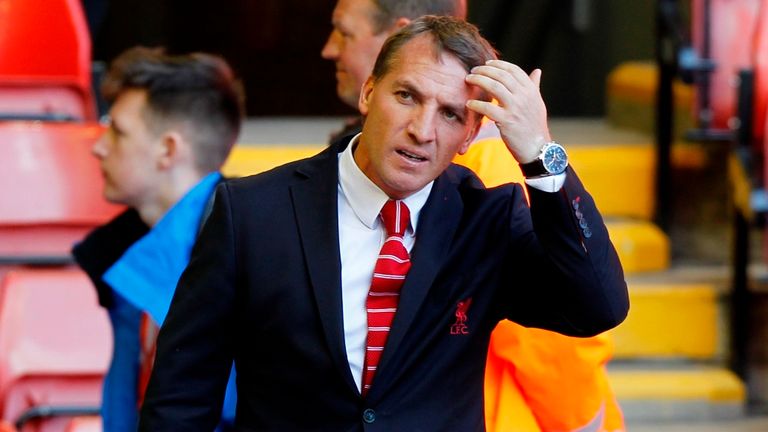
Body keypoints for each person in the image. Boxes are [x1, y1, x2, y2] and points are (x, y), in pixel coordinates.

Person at [140, 16, 628, 431]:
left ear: (469, 136)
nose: (422, 130)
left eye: (450, 114)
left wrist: (543, 157)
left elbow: (597, 306)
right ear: (369, 93)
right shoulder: (251, 212)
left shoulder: (487, 221)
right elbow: (181, 396)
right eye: (407, 96)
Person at [321, 0, 626, 430]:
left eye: (343, 32)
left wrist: (584, 423)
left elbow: (552, 345)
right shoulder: (333, 178)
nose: (329, 49)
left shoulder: (485, 173)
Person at [72, 47, 244, 432]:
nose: (98, 146)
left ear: (168, 150)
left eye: (117, 131)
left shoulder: (253, 256)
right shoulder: (128, 254)